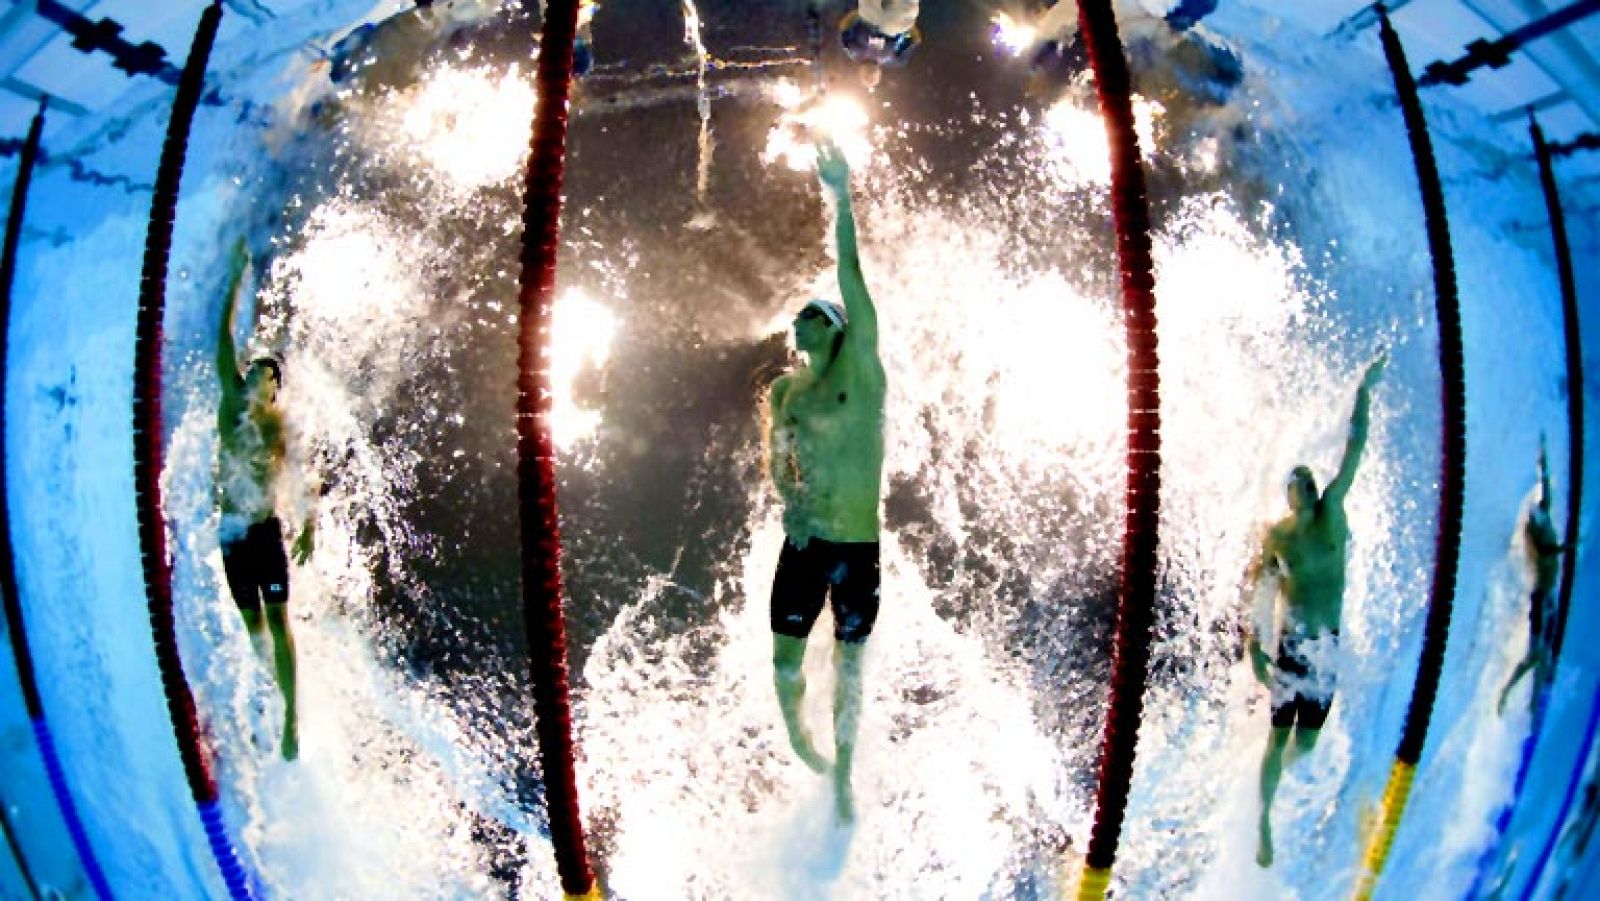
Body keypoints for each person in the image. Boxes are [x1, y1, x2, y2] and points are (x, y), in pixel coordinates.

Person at [766, 143, 886, 824]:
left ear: (838, 329)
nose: (799, 319)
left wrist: (839, 193)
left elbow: (849, 270)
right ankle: (798, 738)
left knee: (849, 665)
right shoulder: (788, 392)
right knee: (783, 662)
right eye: (799, 314)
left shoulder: (861, 369)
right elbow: (778, 458)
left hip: (857, 547)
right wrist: (791, 503)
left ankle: (843, 774)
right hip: (807, 543)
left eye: (812, 313)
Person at [1247, 354, 1386, 867]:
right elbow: (1262, 592)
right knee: (1278, 734)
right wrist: (1255, 646)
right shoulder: (1278, 537)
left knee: (1306, 742)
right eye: (1297, 484)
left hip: (1326, 647)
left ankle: (1275, 780)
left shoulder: (1332, 513)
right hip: (1293, 646)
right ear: (1287, 496)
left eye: (1309, 481)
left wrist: (1363, 392)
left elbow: (1355, 448)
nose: (1305, 488)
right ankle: (1262, 823)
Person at [216, 241, 313, 761]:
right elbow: (222, 339)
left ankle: (292, 720)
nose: (258, 375)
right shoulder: (231, 407)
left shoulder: (278, 428)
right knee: (253, 626)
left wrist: (309, 526)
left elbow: (302, 477)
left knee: (277, 620)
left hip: (264, 528)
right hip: (232, 533)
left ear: (276, 390)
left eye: (268, 374)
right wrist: (235, 277)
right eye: (255, 369)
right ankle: (268, 702)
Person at [1498, 436, 1569, 716]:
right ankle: (1506, 693)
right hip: (1541, 597)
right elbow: (1548, 551)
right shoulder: (1535, 536)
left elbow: (1546, 492)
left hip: (1550, 595)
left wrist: (1543, 461)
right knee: (1535, 654)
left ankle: (1533, 702)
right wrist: (1569, 547)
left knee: (1546, 653)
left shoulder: (1543, 518)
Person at [839, 0, 921, 81]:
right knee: (905, 10)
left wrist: (858, 13)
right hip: (894, 23)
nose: (870, 74)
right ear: (879, 75)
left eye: (867, 76)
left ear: (860, 73)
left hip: (870, 18)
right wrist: (906, 25)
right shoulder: (895, 59)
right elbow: (915, 40)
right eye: (872, 77)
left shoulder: (853, 51)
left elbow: (844, 28)